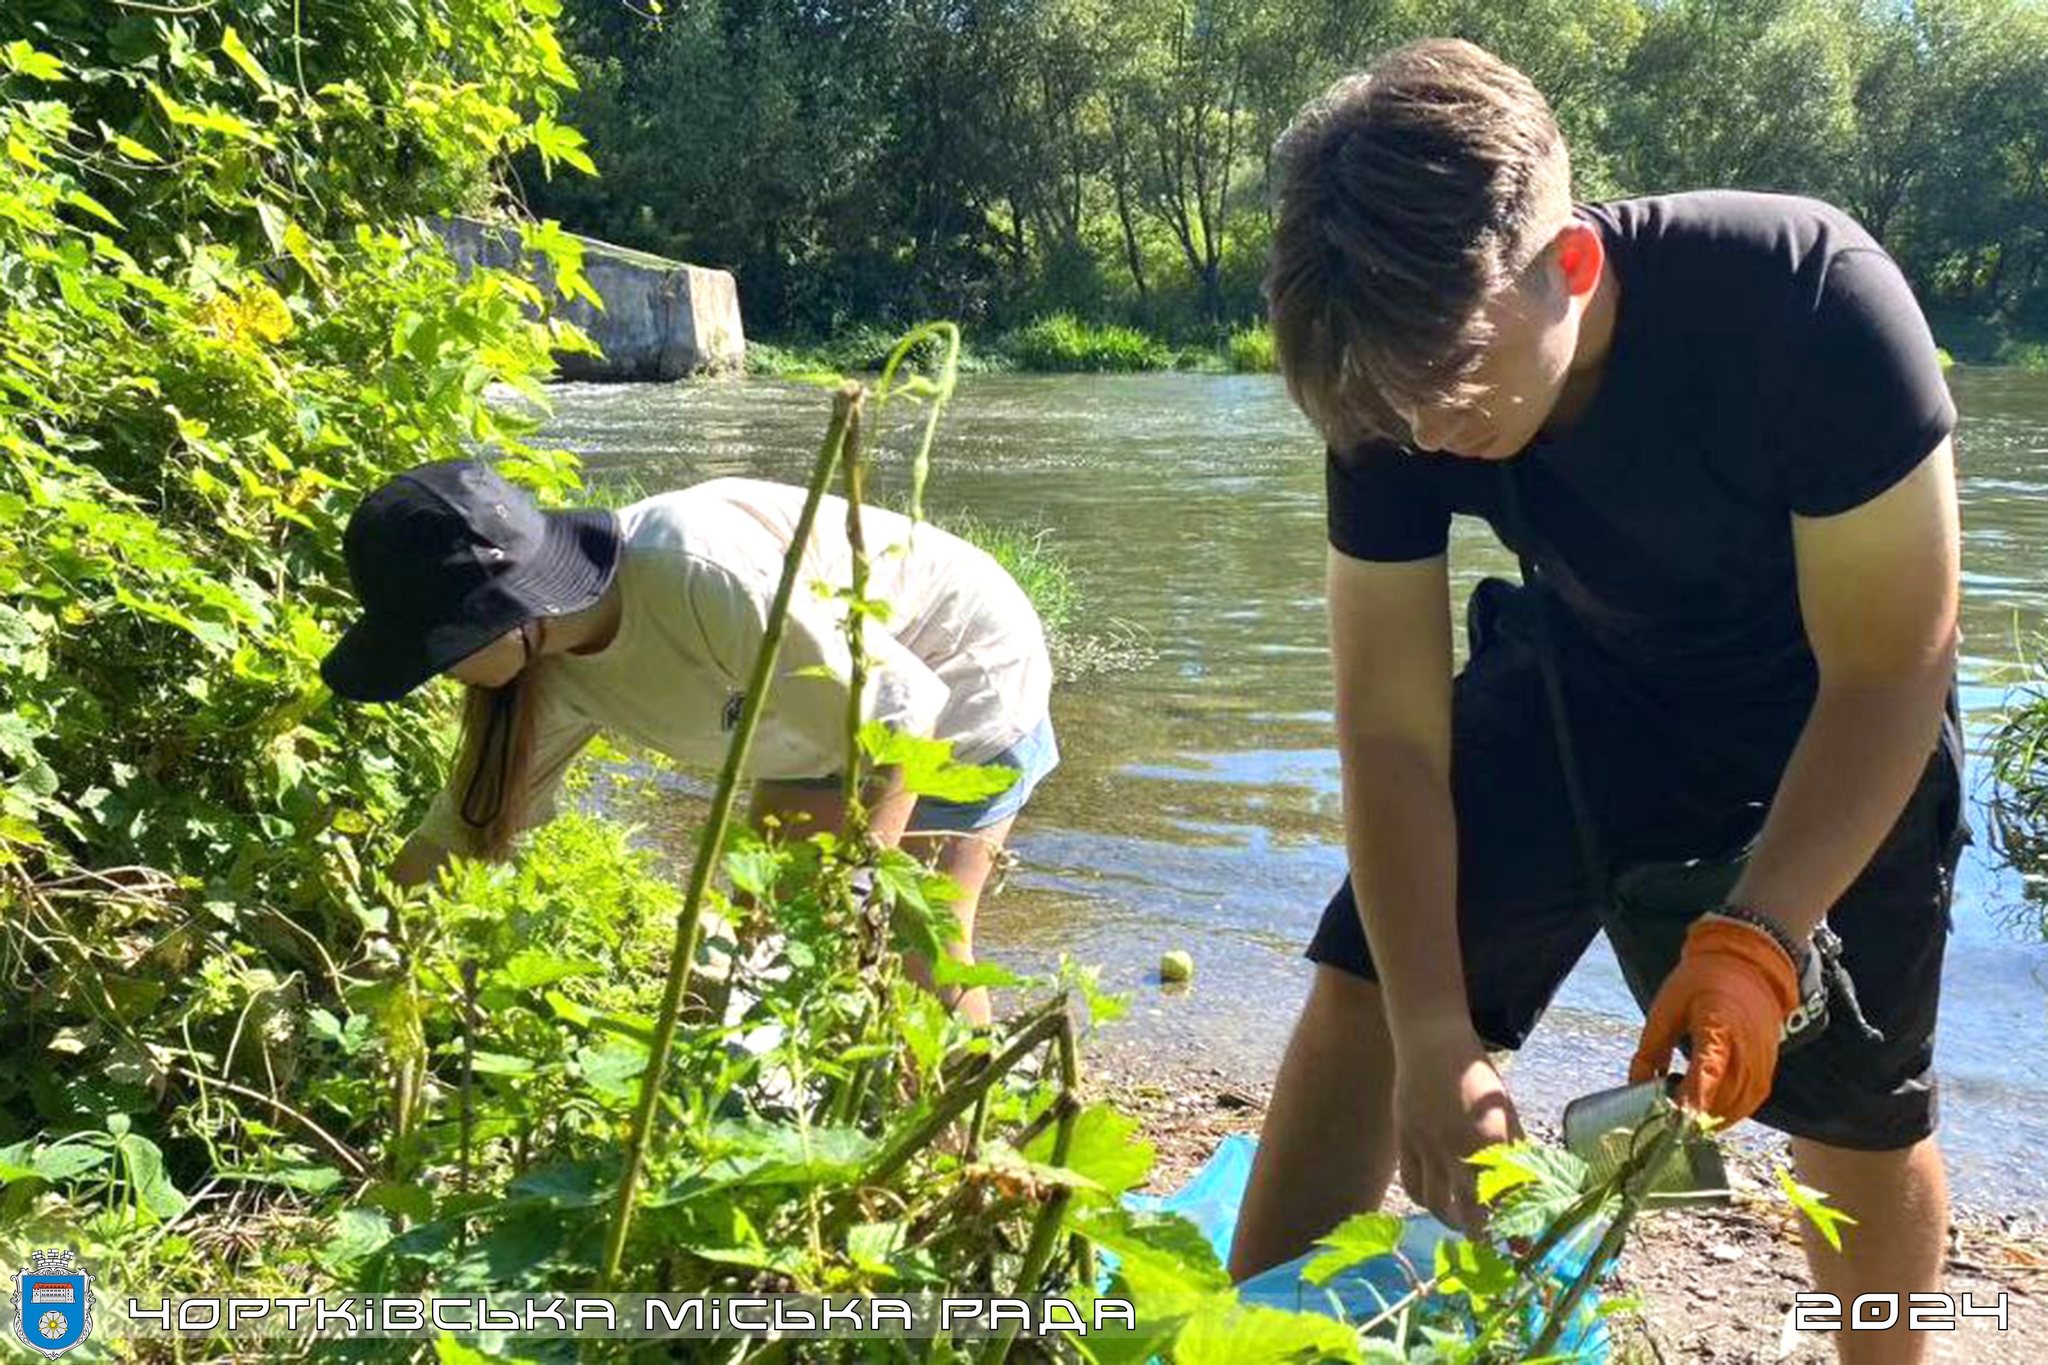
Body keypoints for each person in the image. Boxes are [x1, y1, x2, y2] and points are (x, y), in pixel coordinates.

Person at [1232, 38, 1963, 1365]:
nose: (1421, 434)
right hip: (1586, 676)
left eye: (1454, 393)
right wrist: (1434, 1034)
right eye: (1389, 413)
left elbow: (1891, 664)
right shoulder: (1391, 381)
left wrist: (1756, 936)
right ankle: (1245, 1340)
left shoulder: (1811, 300)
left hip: (1832, 708)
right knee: (1366, 984)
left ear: (1569, 267)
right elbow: (1392, 729)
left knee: (1857, 1113)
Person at [320, 460, 1057, 1024]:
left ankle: (977, 1166)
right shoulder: (544, 671)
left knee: (913, 945)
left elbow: (901, 712)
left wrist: (861, 891)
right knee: (756, 956)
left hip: (959, 677)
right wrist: (360, 959)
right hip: (817, 720)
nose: (439, 677)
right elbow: (462, 831)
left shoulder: (695, 572)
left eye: (436, 652)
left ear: (503, 615)